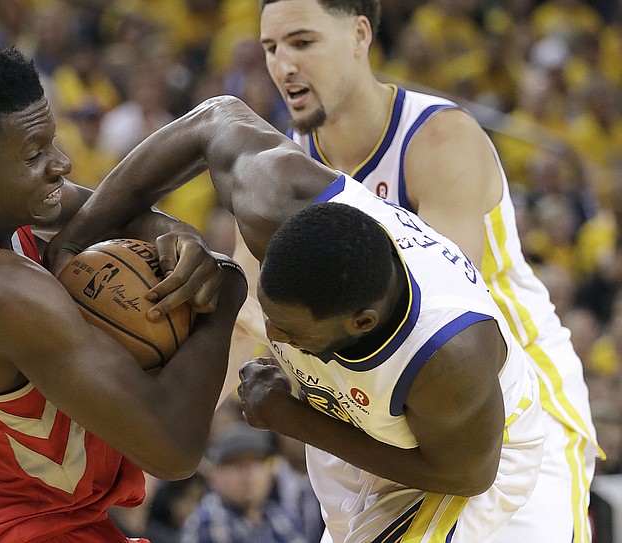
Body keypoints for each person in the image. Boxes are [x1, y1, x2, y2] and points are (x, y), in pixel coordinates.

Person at [47, 95, 547, 542]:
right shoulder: (277, 198)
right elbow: (213, 120)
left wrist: (293, 419)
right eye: (270, 314)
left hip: (462, 455)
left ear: (361, 322)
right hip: (360, 420)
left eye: (291, 332)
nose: (273, 335)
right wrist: (77, 238)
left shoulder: (450, 356)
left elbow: (466, 475)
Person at [256, 1, 598, 541]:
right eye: (271, 48)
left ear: (360, 35)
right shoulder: (286, 163)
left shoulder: (438, 141)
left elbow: (443, 322)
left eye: (302, 42)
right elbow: (257, 316)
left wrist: (296, 413)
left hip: (514, 407)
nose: (284, 66)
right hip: (389, 416)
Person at [0, 44, 248, 542]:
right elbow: (173, 449)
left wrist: (174, 233)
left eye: (51, 142)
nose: (62, 163)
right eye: (35, 155)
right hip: (42, 529)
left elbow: (93, 211)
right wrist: (225, 288)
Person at [178, 422, 306, 543]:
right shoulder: (206, 523)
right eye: (238, 465)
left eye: (256, 464)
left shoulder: (282, 518)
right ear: (215, 474)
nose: (248, 475)